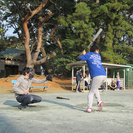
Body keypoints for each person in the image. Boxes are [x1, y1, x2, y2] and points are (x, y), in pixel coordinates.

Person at [76, 45, 106, 113]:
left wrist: (82, 54)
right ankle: (99, 101)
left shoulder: (89, 54)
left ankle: (89, 108)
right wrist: (85, 54)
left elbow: (77, 58)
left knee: (91, 93)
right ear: (97, 50)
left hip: (96, 75)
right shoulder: (99, 56)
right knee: (95, 89)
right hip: (103, 75)